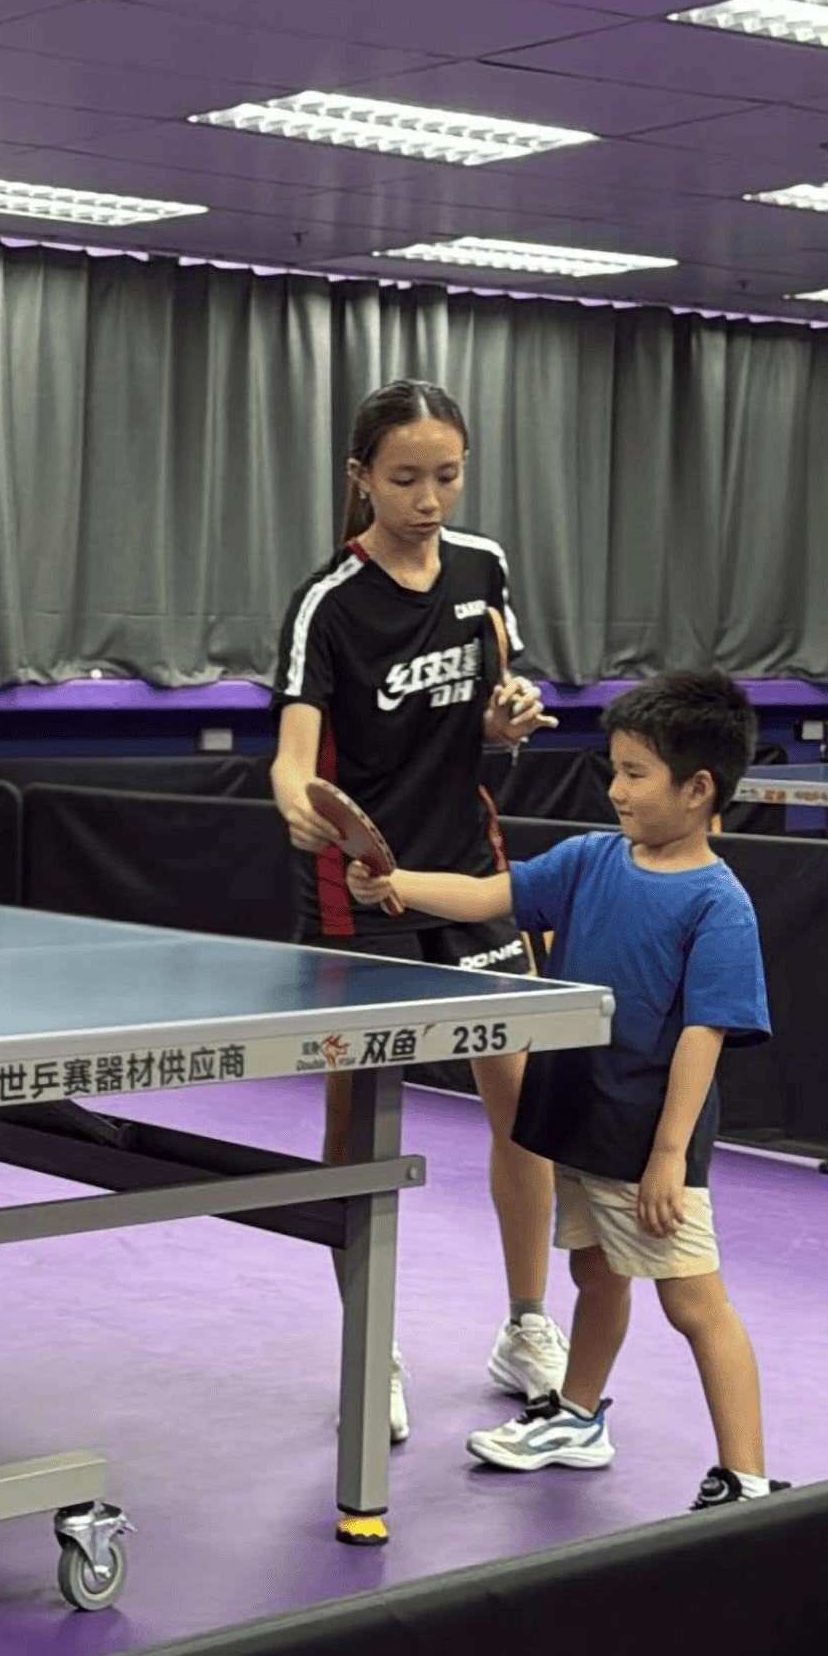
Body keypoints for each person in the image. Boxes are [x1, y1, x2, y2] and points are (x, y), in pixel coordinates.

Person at [348, 669, 782, 1507]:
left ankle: (747, 1478)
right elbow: (488, 893)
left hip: (644, 1134)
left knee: (694, 1304)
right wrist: (396, 885)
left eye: (635, 774)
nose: (615, 789)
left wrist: (667, 1158)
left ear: (697, 789)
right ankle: (577, 1417)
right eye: (614, 769)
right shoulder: (589, 861)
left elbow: (703, 1036)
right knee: (594, 1271)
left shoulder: (717, 903)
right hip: (577, 1115)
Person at [270, 379, 567, 1443]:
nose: (428, 499)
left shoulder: (483, 570)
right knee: (358, 1120)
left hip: (468, 872)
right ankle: (371, 1343)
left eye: (446, 476)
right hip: (363, 887)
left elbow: (486, 713)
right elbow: (293, 756)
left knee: (523, 1104)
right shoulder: (329, 604)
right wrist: (297, 806)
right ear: (361, 478)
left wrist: (507, 718)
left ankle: (527, 1324)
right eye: (404, 479)